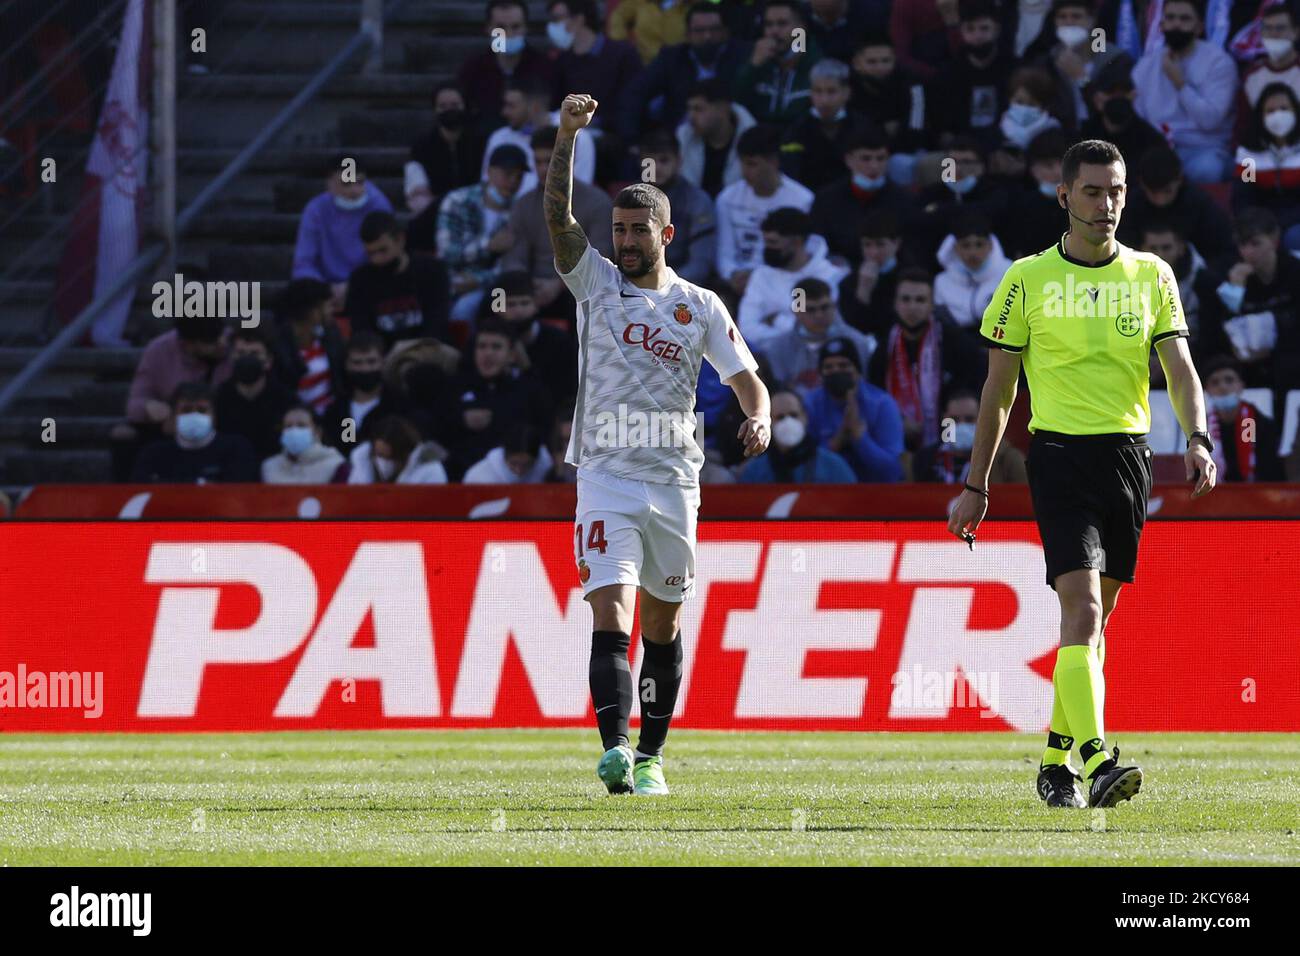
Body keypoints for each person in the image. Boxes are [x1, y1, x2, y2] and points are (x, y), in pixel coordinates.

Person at [951, 139, 1217, 811]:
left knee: (1092, 631)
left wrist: (1198, 437)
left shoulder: (1153, 274)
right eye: (1094, 191)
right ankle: (1097, 759)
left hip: (1129, 460)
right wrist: (976, 484)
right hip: (1060, 457)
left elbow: (1180, 369)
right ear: (1064, 195)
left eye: (1117, 191)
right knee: (1084, 608)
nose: (1108, 204)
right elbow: (998, 393)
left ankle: (1053, 762)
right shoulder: (1025, 280)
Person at [546, 93, 769, 796]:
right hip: (606, 473)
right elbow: (559, 216)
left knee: (662, 626)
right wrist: (565, 136)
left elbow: (746, 379)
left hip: (674, 480)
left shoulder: (700, 305)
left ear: (666, 235)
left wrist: (759, 417)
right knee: (610, 611)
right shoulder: (595, 285)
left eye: (639, 230)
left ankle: (650, 756)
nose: (625, 240)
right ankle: (614, 749)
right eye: (618, 228)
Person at [500, 127, 615, 317]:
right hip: (531, 289)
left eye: (550, 160)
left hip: (578, 290)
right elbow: (515, 257)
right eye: (538, 162)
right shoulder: (524, 204)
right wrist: (526, 287)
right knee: (495, 303)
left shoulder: (598, 203)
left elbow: (599, 261)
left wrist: (559, 285)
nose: (544, 169)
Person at [867, 268, 987, 450]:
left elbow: (976, 391)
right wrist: (897, 421)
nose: (912, 307)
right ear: (895, 304)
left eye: (920, 300)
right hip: (899, 438)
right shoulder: (885, 348)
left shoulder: (957, 343)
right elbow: (875, 395)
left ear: (932, 304)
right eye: (905, 299)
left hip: (951, 437)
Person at [1132, 0, 1237, 184]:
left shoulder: (1219, 63)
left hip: (1204, 150)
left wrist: (1180, 84)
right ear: (1161, 24)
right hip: (1158, 150)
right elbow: (1139, 117)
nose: (1176, 24)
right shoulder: (1145, 66)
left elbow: (1210, 120)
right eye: (1170, 18)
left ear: (1199, 27)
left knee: (1207, 170)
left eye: (1185, 19)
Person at [620, 3, 749, 141]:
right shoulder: (671, 58)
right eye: (699, 30)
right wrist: (632, 140)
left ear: (725, 33)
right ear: (687, 34)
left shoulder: (743, 55)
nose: (707, 36)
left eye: (714, 29)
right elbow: (635, 93)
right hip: (679, 139)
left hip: (732, 136)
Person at [715, 125, 815, 299]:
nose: (745, 171)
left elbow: (802, 253)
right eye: (743, 163)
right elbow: (724, 251)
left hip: (782, 282)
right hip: (734, 283)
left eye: (752, 164)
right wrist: (732, 274)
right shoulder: (727, 199)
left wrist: (759, 278)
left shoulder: (802, 200)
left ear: (774, 162)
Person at [437, 143, 529, 325]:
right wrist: (487, 246)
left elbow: (511, 265)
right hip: (453, 282)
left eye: (518, 176)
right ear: (489, 172)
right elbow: (447, 254)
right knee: (453, 311)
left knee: (494, 310)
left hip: (497, 286)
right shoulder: (457, 201)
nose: (513, 182)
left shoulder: (520, 210)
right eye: (507, 174)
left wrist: (478, 281)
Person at [736, 208, 850, 351]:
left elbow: (821, 329)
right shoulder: (761, 276)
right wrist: (793, 332)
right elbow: (747, 329)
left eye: (773, 242)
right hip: (771, 358)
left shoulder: (832, 276)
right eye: (765, 242)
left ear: (797, 241)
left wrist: (776, 320)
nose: (767, 249)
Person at [292, 154, 393, 307]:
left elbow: (387, 255)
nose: (354, 191)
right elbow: (304, 262)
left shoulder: (379, 206)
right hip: (326, 287)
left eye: (359, 183)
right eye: (346, 184)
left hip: (371, 281)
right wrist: (325, 289)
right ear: (330, 183)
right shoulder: (316, 210)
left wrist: (356, 285)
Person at [343, 212, 452, 352]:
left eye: (383, 250)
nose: (377, 259)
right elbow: (362, 331)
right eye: (370, 253)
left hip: (430, 350)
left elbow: (437, 323)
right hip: (384, 359)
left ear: (400, 240)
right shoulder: (360, 279)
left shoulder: (432, 270)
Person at [810, 126, 918, 264]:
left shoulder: (904, 201)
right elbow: (818, 246)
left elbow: (912, 248)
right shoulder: (826, 200)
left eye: (880, 159)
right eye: (866, 159)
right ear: (849, 160)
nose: (874, 166)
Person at [806, 336, 904, 481]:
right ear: (820, 374)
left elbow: (892, 470)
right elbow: (804, 469)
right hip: (825, 492)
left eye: (843, 365)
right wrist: (837, 440)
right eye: (828, 367)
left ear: (857, 370)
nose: (836, 371)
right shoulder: (810, 404)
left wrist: (860, 437)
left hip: (875, 492)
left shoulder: (882, 404)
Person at [1116, 144, 1234, 264]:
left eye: (1167, 191)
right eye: (1154, 192)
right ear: (1142, 184)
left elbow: (1224, 250)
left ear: (1179, 180)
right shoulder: (1131, 207)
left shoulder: (1199, 205)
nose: (1160, 200)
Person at [482, 77, 596, 197]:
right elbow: (487, 185)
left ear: (534, 107)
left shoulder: (577, 136)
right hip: (506, 212)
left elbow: (581, 188)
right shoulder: (499, 138)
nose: (504, 112)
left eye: (511, 106)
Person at [778, 58, 879, 193]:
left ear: (846, 93)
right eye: (818, 91)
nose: (824, 100)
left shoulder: (863, 127)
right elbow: (790, 174)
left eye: (831, 92)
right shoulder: (797, 129)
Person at [762, 277, 875, 396]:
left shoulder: (857, 342)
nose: (819, 315)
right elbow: (781, 392)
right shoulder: (779, 348)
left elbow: (866, 388)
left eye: (824, 307)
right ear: (796, 312)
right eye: (810, 310)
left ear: (833, 306)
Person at [131, 382, 259, 484]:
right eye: (186, 410)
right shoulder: (154, 454)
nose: (194, 415)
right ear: (174, 415)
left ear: (214, 416)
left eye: (202, 410)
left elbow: (238, 492)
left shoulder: (236, 448)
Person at [455, 0, 554, 127]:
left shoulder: (545, 68)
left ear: (526, 28)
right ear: (488, 28)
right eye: (500, 27)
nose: (509, 34)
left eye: (516, 27)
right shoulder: (472, 70)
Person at [405, 82, 487, 236]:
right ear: (434, 109)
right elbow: (418, 195)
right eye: (442, 106)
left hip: (476, 213)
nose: (449, 110)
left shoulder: (481, 142)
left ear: (465, 106)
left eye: (455, 105)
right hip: (435, 217)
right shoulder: (421, 147)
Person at [639, 127, 717, 285]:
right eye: (650, 162)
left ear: (679, 161)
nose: (657, 168)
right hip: (634, 282)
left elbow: (700, 264)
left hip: (681, 285)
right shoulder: (627, 200)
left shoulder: (698, 201)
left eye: (664, 160)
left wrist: (664, 286)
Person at [489, 270, 579, 405]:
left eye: (524, 303)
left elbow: (561, 394)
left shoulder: (559, 343)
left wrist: (526, 367)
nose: (518, 311)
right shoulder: (485, 343)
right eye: (511, 304)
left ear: (536, 305)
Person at [1232, 82, 1300, 251]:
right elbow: (1244, 196)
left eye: (1284, 109)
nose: (1278, 116)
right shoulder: (1249, 153)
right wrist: (1261, 226)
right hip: (1262, 223)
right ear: (1260, 116)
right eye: (1270, 111)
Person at [739, 389, 858, 482]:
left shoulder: (833, 466)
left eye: (794, 415)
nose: (788, 422)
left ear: (805, 417)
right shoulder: (755, 471)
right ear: (769, 423)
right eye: (780, 417)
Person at [731, 0, 820, 125]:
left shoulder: (817, 64)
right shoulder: (754, 60)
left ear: (801, 28)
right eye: (769, 25)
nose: (774, 31)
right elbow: (735, 105)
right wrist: (753, 67)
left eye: (782, 24)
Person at [214, 327, 295, 461]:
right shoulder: (216, 399)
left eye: (254, 354)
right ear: (231, 358)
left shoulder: (287, 401)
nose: (247, 359)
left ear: (268, 361)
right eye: (240, 353)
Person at [1200, 355, 1285, 482]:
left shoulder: (1256, 423)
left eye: (1229, 380)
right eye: (1215, 382)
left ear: (1241, 386)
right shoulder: (1202, 428)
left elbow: (1270, 471)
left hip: (1254, 493)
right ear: (1207, 390)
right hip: (1214, 495)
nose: (1222, 387)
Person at [912, 388, 1026, 482]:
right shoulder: (925, 459)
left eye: (969, 419)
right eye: (954, 419)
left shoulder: (1007, 460)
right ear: (944, 419)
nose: (961, 425)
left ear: (982, 419)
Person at [320, 331, 407, 453]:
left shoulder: (399, 406)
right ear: (346, 365)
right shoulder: (338, 410)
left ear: (383, 362)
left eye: (371, 362)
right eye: (357, 363)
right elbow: (343, 444)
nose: (365, 369)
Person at [271, 278, 346, 416]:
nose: (332, 311)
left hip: (332, 417)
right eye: (328, 306)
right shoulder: (277, 349)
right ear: (313, 311)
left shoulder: (331, 337)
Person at [674, 78, 758, 198]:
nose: (691, 116)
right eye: (689, 109)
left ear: (723, 109)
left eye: (698, 109)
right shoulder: (683, 138)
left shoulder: (753, 141)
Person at [933, 211, 1012, 329]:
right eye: (965, 245)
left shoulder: (1009, 274)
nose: (972, 252)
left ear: (990, 246)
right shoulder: (942, 282)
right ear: (955, 248)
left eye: (979, 245)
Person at [347, 414, 448, 484]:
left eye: (390, 458)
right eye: (379, 455)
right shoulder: (362, 464)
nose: (383, 463)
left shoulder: (429, 470)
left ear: (405, 454)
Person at [261, 404, 348, 484]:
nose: (294, 430)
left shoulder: (336, 466)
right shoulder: (270, 468)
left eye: (301, 425)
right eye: (288, 426)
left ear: (317, 432)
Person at [463, 421, 556, 483]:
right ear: (504, 456)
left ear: (537, 459)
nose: (519, 471)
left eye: (527, 464)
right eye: (514, 463)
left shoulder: (548, 467)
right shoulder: (478, 477)